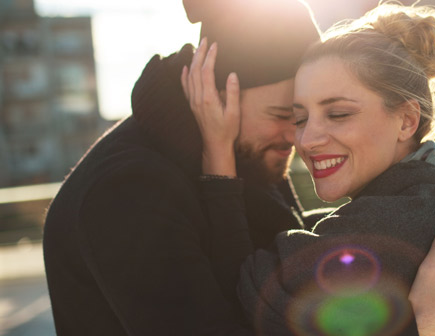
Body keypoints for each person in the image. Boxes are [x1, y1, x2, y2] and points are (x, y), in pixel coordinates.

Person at [184, 3, 435, 335]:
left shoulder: (387, 225)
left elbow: (242, 294)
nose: (307, 140)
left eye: (338, 114)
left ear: (406, 120)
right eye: (300, 118)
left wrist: (218, 152)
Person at [43, 1, 321, 334]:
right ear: (214, 98)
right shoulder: (128, 188)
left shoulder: (242, 154)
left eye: (301, 117)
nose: (297, 136)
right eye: (279, 115)